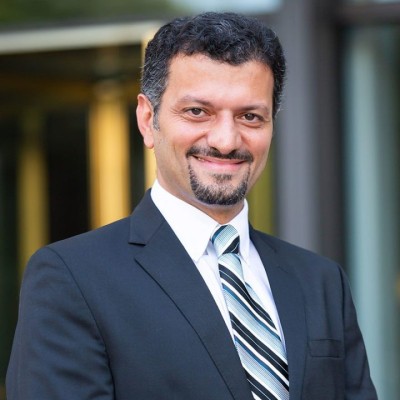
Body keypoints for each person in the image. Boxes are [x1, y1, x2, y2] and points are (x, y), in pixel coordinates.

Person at [7, 12, 377, 400]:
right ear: (148, 119)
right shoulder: (72, 279)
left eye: (250, 116)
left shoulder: (320, 281)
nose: (225, 140)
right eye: (197, 112)